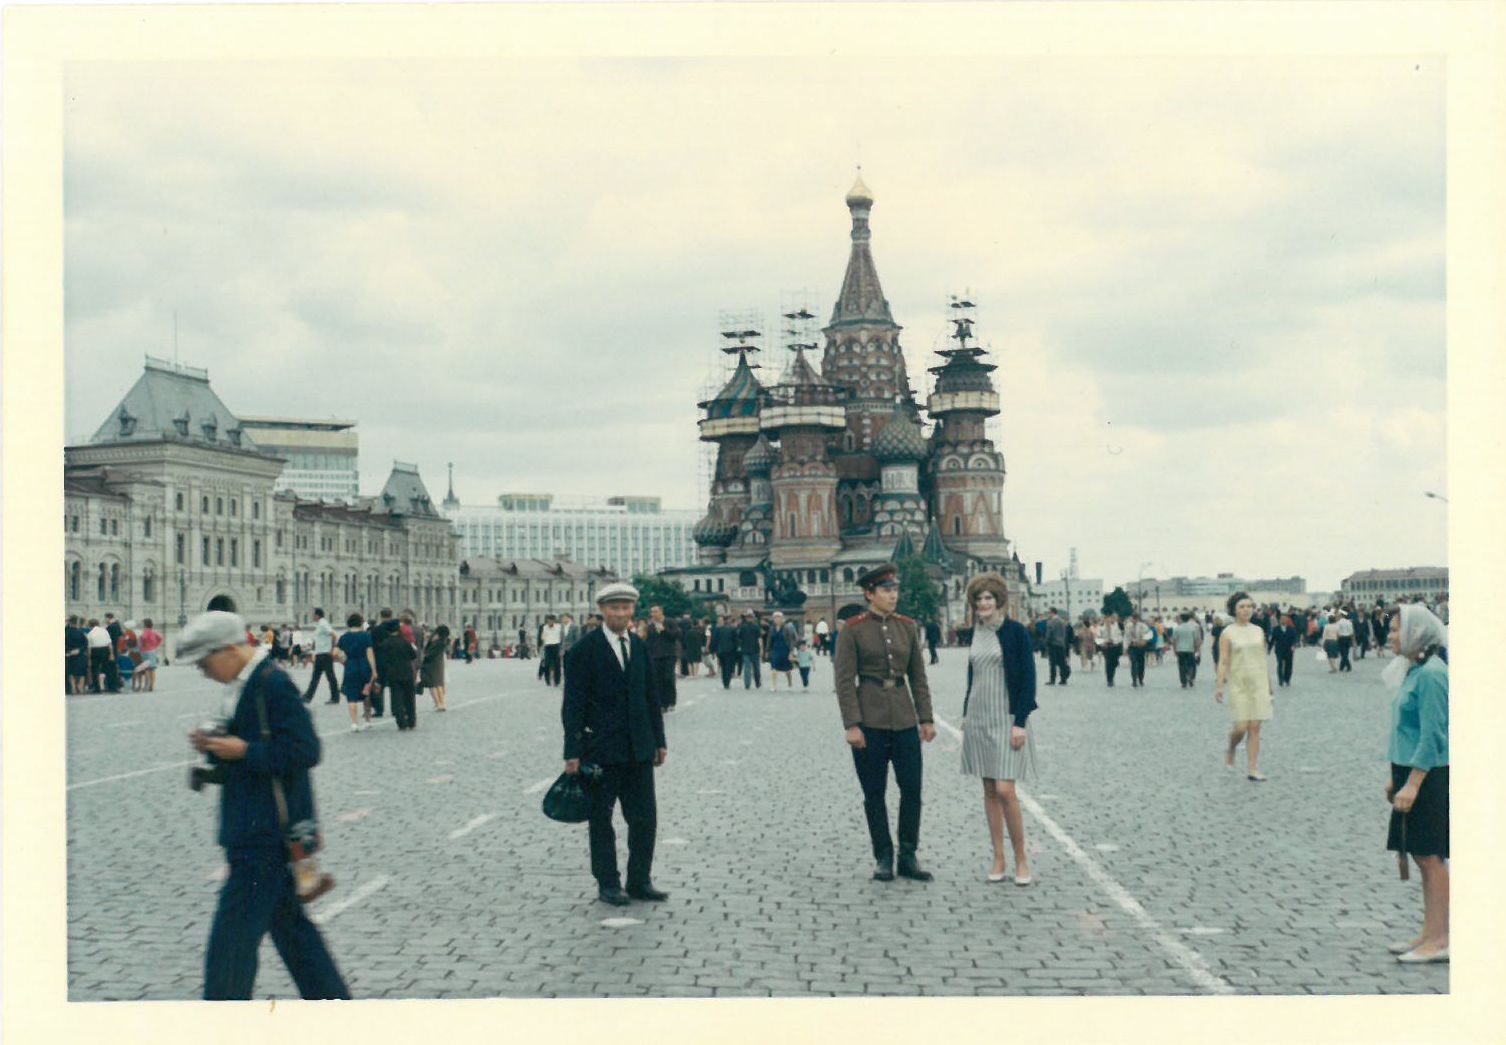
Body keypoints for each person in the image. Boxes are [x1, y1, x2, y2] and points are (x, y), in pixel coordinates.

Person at [177, 610, 350, 1001]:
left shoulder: (272, 683)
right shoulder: (243, 683)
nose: (203, 672)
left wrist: (243, 750)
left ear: (227, 649)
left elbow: (305, 749)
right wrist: (216, 744)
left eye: (204, 663)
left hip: (265, 836)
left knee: (231, 944)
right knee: (294, 934)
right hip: (254, 828)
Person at [561, 582, 668, 906]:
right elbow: (573, 704)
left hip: (639, 748)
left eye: (625, 608)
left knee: (644, 818)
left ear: (632, 610)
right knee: (601, 820)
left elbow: (651, 697)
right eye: (614, 608)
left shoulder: (638, 646)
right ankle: (608, 882)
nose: (620, 613)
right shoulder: (583, 651)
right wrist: (572, 752)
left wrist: (659, 741)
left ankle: (640, 880)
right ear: (603, 611)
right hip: (601, 750)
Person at [833, 563, 936, 882]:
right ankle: (883, 855)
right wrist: (852, 724)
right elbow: (845, 680)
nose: (893, 596)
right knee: (874, 792)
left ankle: (908, 854)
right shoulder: (853, 629)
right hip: (870, 721)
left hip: (904, 719)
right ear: (869, 594)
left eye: (895, 590)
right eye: (886, 591)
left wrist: (926, 717)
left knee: (912, 790)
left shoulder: (907, 626)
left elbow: (918, 676)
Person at [958, 573, 1038, 886]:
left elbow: (1028, 678)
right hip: (979, 716)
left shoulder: (1015, 632)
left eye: (989, 598)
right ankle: (998, 857)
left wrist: (1020, 721)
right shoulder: (976, 633)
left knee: (1006, 790)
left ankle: (1021, 858)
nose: (984, 604)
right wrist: (966, 711)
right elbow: (973, 675)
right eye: (979, 600)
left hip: (1006, 717)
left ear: (999, 601)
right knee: (989, 790)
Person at [1383, 603, 1449, 963]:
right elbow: (1402, 730)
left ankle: (1440, 939)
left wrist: (1413, 784)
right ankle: (1430, 931)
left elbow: (1433, 735)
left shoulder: (1432, 675)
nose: (1390, 635)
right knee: (1422, 857)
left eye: (1395, 630)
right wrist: (1395, 777)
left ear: (1416, 633)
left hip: (1428, 774)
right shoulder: (1414, 670)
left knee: (1431, 857)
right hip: (1409, 771)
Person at [1216, 592, 1275, 781]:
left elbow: (1262, 658)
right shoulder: (1227, 633)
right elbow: (1223, 661)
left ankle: (1252, 769)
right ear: (1234, 609)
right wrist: (1219, 685)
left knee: (1255, 727)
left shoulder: (1258, 631)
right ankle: (1231, 748)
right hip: (1238, 683)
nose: (1246, 610)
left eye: (1249, 606)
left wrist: (1269, 683)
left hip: (1258, 682)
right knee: (1241, 727)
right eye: (1242, 606)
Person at [375, 611, 418, 731]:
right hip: (407, 672)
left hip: (393, 674)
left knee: (397, 699)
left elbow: (383, 661)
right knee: (410, 698)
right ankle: (412, 721)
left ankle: (401, 722)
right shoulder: (405, 642)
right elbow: (413, 656)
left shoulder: (385, 644)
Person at [335, 613, 377, 731]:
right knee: (366, 694)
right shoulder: (366, 636)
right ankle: (367, 720)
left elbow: (334, 653)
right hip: (364, 666)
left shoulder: (344, 637)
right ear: (360, 623)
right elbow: (370, 654)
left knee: (351, 696)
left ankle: (354, 723)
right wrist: (374, 670)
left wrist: (343, 661)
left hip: (350, 666)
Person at [645, 605, 680, 712]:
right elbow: (649, 642)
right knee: (657, 680)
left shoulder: (670, 622)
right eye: (652, 612)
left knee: (668, 678)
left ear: (661, 612)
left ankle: (671, 701)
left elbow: (676, 635)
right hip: (655, 656)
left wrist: (664, 630)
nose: (653, 614)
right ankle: (662, 703)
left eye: (655, 611)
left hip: (669, 654)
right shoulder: (650, 626)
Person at [302, 609, 339, 704]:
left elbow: (334, 635)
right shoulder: (319, 625)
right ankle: (308, 696)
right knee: (317, 676)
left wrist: (332, 649)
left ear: (318, 615)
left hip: (325, 654)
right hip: (320, 654)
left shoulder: (323, 624)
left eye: (313, 615)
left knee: (329, 677)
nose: (312, 616)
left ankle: (334, 697)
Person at [421, 625, 450, 711]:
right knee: (439, 684)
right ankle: (442, 703)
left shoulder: (437, 642)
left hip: (431, 664)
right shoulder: (442, 641)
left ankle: (438, 704)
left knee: (433, 685)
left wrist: (424, 656)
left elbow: (429, 653)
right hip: (438, 664)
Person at [1172, 611, 1203, 689]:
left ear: (1181, 619)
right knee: (1191, 665)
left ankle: (1183, 682)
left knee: (1181, 666)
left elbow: (1174, 640)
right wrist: (1197, 649)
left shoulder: (1177, 628)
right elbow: (1197, 639)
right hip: (1190, 649)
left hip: (1180, 650)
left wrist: (1174, 650)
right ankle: (1191, 677)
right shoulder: (1193, 628)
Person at [766, 611, 797, 690]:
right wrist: (767, 650)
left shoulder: (786, 628)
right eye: (775, 618)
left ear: (782, 619)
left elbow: (791, 640)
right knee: (774, 668)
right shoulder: (772, 628)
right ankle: (774, 686)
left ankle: (789, 680)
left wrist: (791, 651)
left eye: (778, 617)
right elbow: (769, 640)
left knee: (787, 669)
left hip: (785, 649)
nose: (776, 619)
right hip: (775, 650)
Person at [1270, 613, 1301, 687]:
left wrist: (1294, 645)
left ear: (1287, 620)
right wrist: (1269, 648)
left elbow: (1295, 638)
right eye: (1281, 619)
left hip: (1289, 649)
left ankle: (1287, 679)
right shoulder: (1276, 629)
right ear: (1279, 620)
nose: (1283, 620)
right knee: (1280, 664)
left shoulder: (1291, 629)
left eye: (1284, 618)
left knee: (1288, 665)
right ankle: (1280, 680)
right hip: (1279, 650)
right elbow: (1272, 639)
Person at [736, 610, 763, 690]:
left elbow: (739, 638)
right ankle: (757, 682)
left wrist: (739, 646)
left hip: (746, 650)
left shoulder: (742, 627)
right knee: (756, 667)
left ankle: (747, 684)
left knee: (747, 668)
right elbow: (759, 639)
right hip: (754, 650)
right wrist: (761, 649)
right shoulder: (756, 627)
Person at [86, 617, 113, 693]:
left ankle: (97, 688)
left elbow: (89, 648)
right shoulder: (104, 631)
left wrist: (89, 659)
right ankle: (109, 687)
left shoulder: (89, 634)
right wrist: (111, 654)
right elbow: (109, 643)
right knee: (107, 669)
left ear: (90, 625)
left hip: (95, 651)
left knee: (95, 670)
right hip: (105, 649)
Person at [1124, 612, 1152, 688]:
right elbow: (1126, 637)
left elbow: (1149, 634)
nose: (1134, 620)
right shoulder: (1128, 626)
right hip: (1132, 646)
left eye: (1135, 619)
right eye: (1133, 619)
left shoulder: (1143, 626)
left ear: (1138, 619)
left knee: (1141, 663)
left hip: (1141, 647)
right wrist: (1125, 647)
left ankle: (1140, 679)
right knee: (1133, 663)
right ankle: (1134, 680)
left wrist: (1145, 640)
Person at [1044, 608, 1071, 686]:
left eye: (1049, 613)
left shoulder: (1050, 622)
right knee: (1062, 662)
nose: (1048, 615)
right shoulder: (1062, 622)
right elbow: (1064, 633)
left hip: (1053, 644)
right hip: (1061, 644)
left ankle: (1052, 680)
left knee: (1052, 663)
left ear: (1052, 613)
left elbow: (1049, 634)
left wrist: (1046, 642)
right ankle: (1063, 679)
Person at [1097, 613, 1123, 688]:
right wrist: (1103, 643)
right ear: (1105, 620)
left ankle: (1112, 676)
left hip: (1115, 646)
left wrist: (1115, 641)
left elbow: (1120, 637)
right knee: (1108, 663)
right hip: (1106, 647)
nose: (1109, 620)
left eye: (1111, 618)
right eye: (1107, 619)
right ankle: (1109, 680)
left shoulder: (1117, 626)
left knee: (1114, 663)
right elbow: (1098, 638)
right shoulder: (1101, 628)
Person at [137, 618, 163, 692]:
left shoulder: (146, 631)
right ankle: (152, 685)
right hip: (152, 651)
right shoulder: (152, 631)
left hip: (146, 651)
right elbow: (160, 638)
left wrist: (140, 638)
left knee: (147, 669)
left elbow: (143, 638)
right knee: (152, 669)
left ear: (145, 624)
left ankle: (148, 685)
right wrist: (155, 645)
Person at [66, 616, 90, 695]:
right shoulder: (81, 632)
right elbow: (86, 643)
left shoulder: (66, 632)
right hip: (80, 654)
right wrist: (79, 650)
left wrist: (68, 651)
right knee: (82, 671)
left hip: (69, 654)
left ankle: (73, 687)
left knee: (71, 672)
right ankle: (80, 686)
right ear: (77, 623)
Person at [540, 614, 563, 687]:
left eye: (551, 620)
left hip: (556, 646)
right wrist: (543, 643)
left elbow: (561, 636)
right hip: (548, 646)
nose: (549, 621)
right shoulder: (545, 627)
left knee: (557, 664)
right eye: (548, 620)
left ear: (553, 620)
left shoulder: (558, 627)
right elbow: (543, 637)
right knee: (547, 664)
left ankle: (557, 681)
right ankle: (547, 680)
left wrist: (561, 647)